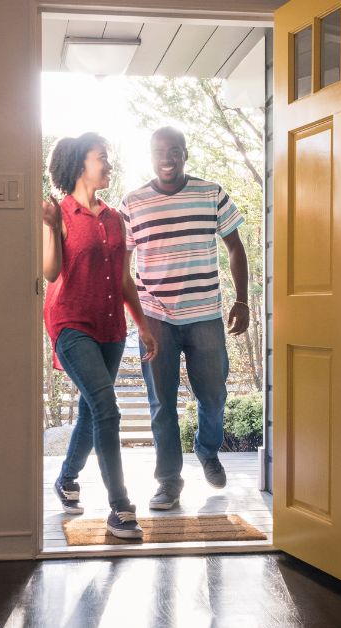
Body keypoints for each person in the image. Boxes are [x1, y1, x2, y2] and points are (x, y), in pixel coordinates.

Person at [117, 126, 250, 510]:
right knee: (162, 404)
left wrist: (242, 301)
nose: (167, 158)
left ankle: (207, 450)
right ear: (151, 155)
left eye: (174, 150)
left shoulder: (211, 193)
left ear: (185, 153)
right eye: (159, 151)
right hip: (155, 317)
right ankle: (169, 481)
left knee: (214, 395)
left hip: (205, 315)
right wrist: (135, 320)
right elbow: (123, 270)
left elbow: (235, 248)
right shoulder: (133, 203)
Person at [43, 132, 158, 539]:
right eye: (101, 158)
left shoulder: (114, 218)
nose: (108, 165)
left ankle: (67, 478)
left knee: (94, 410)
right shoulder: (58, 213)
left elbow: (124, 279)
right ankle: (120, 508)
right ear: (80, 165)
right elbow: (52, 272)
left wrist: (142, 325)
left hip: (111, 327)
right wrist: (51, 227)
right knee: (108, 411)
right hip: (72, 324)